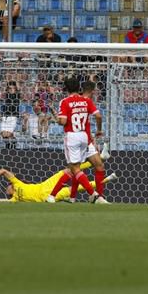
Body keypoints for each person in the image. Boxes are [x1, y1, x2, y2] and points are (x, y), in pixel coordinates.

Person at [46, 76, 105, 204]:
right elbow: (99, 116)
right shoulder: (85, 101)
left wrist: (56, 117)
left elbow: (63, 121)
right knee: (76, 169)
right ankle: (66, 197)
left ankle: (93, 193)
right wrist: (99, 130)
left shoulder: (65, 101)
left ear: (66, 89)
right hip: (84, 136)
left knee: (75, 169)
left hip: (72, 135)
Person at [0, 163, 117, 203]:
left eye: (7, 186)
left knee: (67, 171)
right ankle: (107, 179)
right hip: (47, 198)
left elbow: (3, 171)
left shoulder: (17, 183)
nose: (7, 188)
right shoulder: (15, 199)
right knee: (79, 187)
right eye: (7, 189)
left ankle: (95, 161)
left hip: (45, 186)